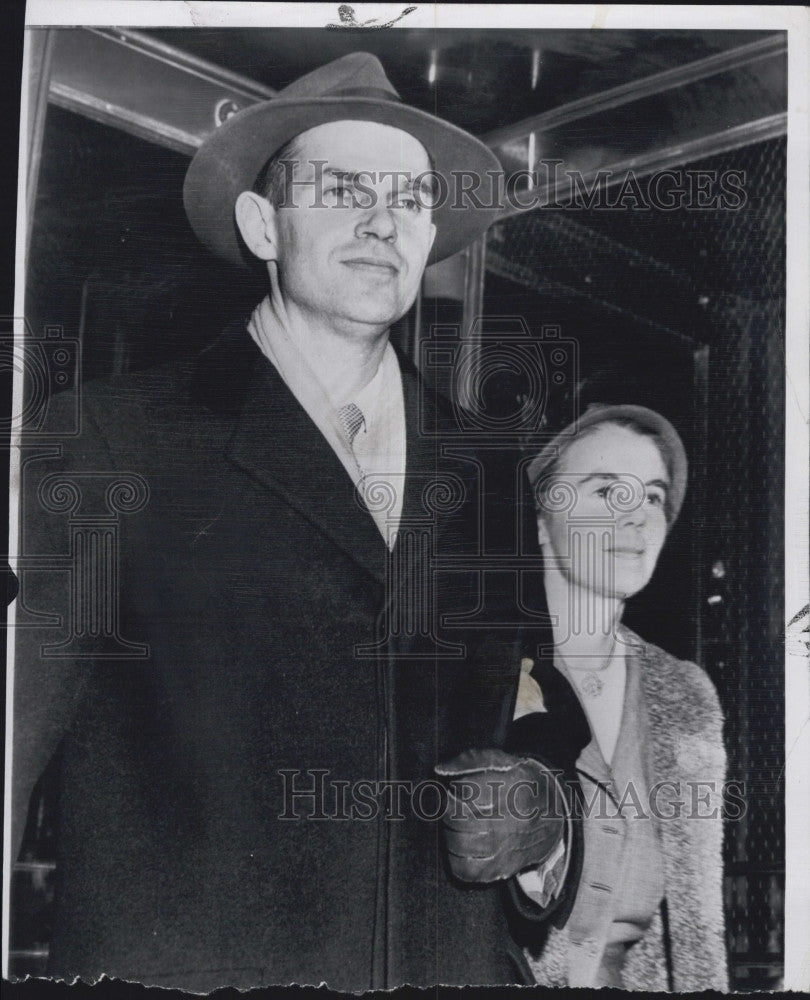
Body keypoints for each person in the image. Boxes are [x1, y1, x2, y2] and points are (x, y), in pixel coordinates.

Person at [11, 52, 576, 991]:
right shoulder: (113, 440)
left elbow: (537, 708)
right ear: (261, 224)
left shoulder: (487, 465)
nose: (380, 220)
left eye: (407, 197)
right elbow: (7, 751)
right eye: (343, 187)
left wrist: (547, 809)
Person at [515, 403, 728, 990]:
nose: (637, 519)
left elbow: (697, 928)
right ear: (540, 515)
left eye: (654, 496)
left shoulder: (684, 695)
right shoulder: (478, 680)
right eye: (608, 490)